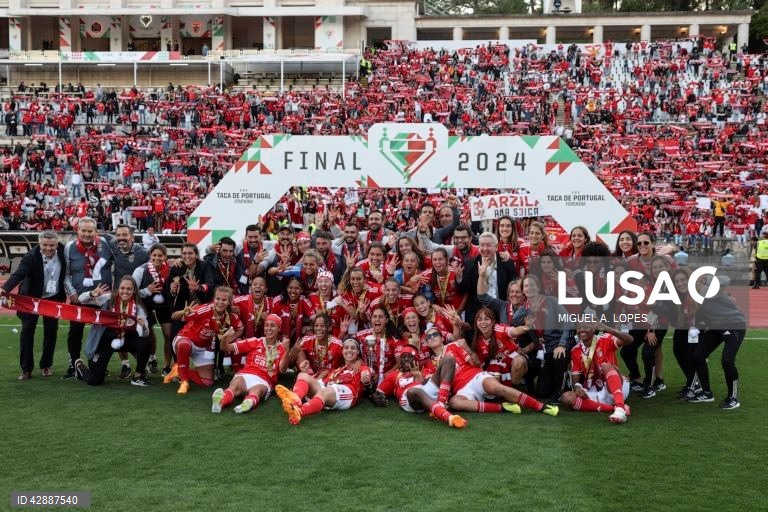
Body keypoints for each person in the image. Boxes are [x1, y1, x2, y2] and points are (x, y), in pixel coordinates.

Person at [1, 230, 67, 380]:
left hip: (53, 298)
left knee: (51, 330)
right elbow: (18, 274)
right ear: (39, 243)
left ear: (57, 243)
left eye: (52, 245)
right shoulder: (30, 257)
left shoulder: (64, 251)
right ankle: (26, 368)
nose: (49, 249)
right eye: (45, 245)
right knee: (27, 331)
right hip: (30, 299)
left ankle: (46, 365)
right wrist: (4, 289)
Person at [73, 277, 151, 386]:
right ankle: (80, 367)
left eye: (129, 289)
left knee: (146, 340)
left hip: (126, 338)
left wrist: (143, 327)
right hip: (106, 339)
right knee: (94, 381)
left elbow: (145, 333)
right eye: (122, 288)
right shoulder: (108, 298)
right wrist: (92, 294)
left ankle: (138, 376)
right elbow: (81, 299)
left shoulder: (138, 306)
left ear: (134, 291)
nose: (125, 291)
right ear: (118, 289)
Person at [165, 286, 244, 394]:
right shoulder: (204, 309)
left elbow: (240, 329)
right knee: (184, 345)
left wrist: (229, 339)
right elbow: (174, 317)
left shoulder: (231, 316)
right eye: (218, 299)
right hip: (186, 340)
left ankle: (178, 370)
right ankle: (184, 382)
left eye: (224, 300)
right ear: (214, 299)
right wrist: (183, 312)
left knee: (207, 382)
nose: (220, 302)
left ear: (229, 302)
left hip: (204, 349)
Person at [275, 338, 372, 425]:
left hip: (348, 393)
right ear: (342, 351)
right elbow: (320, 382)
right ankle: (295, 398)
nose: (349, 350)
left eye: (353, 348)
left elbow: (367, 376)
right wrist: (305, 372)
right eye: (346, 347)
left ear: (358, 351)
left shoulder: (362, 367)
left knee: (326, 390)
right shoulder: (338, 369)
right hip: (329, 389)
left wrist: (365, 378)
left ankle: (299, 411)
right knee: (302, 375)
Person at [63, 217, 114, 379]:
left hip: (103, 299)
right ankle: (74, 364)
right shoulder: (69, 248)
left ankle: (96, 363)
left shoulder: (106, 244)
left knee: (103, 331)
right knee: (75, 331)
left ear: (95, 232)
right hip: (80, 298)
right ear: (77, 231)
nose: (86, 234)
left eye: (90, 231)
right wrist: (72, 293)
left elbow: (121, 259)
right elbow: (65, 274)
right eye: (83, 230)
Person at [371, 345, 468, 429]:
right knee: (414, 390)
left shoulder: (426, 370)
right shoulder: (394, 375)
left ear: (416, 359)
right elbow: (378, 392)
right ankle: (449, 418)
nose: (405, 360)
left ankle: (441, 404)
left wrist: (422, 379)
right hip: (410, 398)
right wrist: (375, 398)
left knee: (449, 359)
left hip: (426, 392)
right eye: (403, 357)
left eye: (410, 357)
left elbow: (439, 381)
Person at [688, 275, 747, 409]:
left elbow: (726, 279)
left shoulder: (711, 289)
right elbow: (699, 319)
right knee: (698, 356)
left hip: (734, 324)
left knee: (727, 360)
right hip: (717, 326)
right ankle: (707, 393)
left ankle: (733, 398)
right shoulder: (694, 297)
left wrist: (707, 279)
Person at [213, 314, 290, 413]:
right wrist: (224, 338)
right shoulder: (255, 341)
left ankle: (248, 403)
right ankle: (220, 401)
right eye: (267, 325)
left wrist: (287, 351)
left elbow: (282, 369)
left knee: (257, 391)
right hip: (246, 374)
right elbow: (225, 348)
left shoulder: (282, 347)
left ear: (279, 328)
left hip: (264, 379)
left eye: (272, 325)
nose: (269, 328)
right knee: (235, 387)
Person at [560, 322, 634, 424]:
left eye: (586, 327)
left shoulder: (605, 338)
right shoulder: (575, 350)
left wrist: (606, 328)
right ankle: (612, 408)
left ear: (594, 329)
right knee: (566, 398)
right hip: (594, 388)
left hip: (616, 386)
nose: (582, 330)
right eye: (579, 327)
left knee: (606, 365)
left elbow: (629, 340)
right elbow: (575, 378)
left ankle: (620, 409)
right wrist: (577, 388)